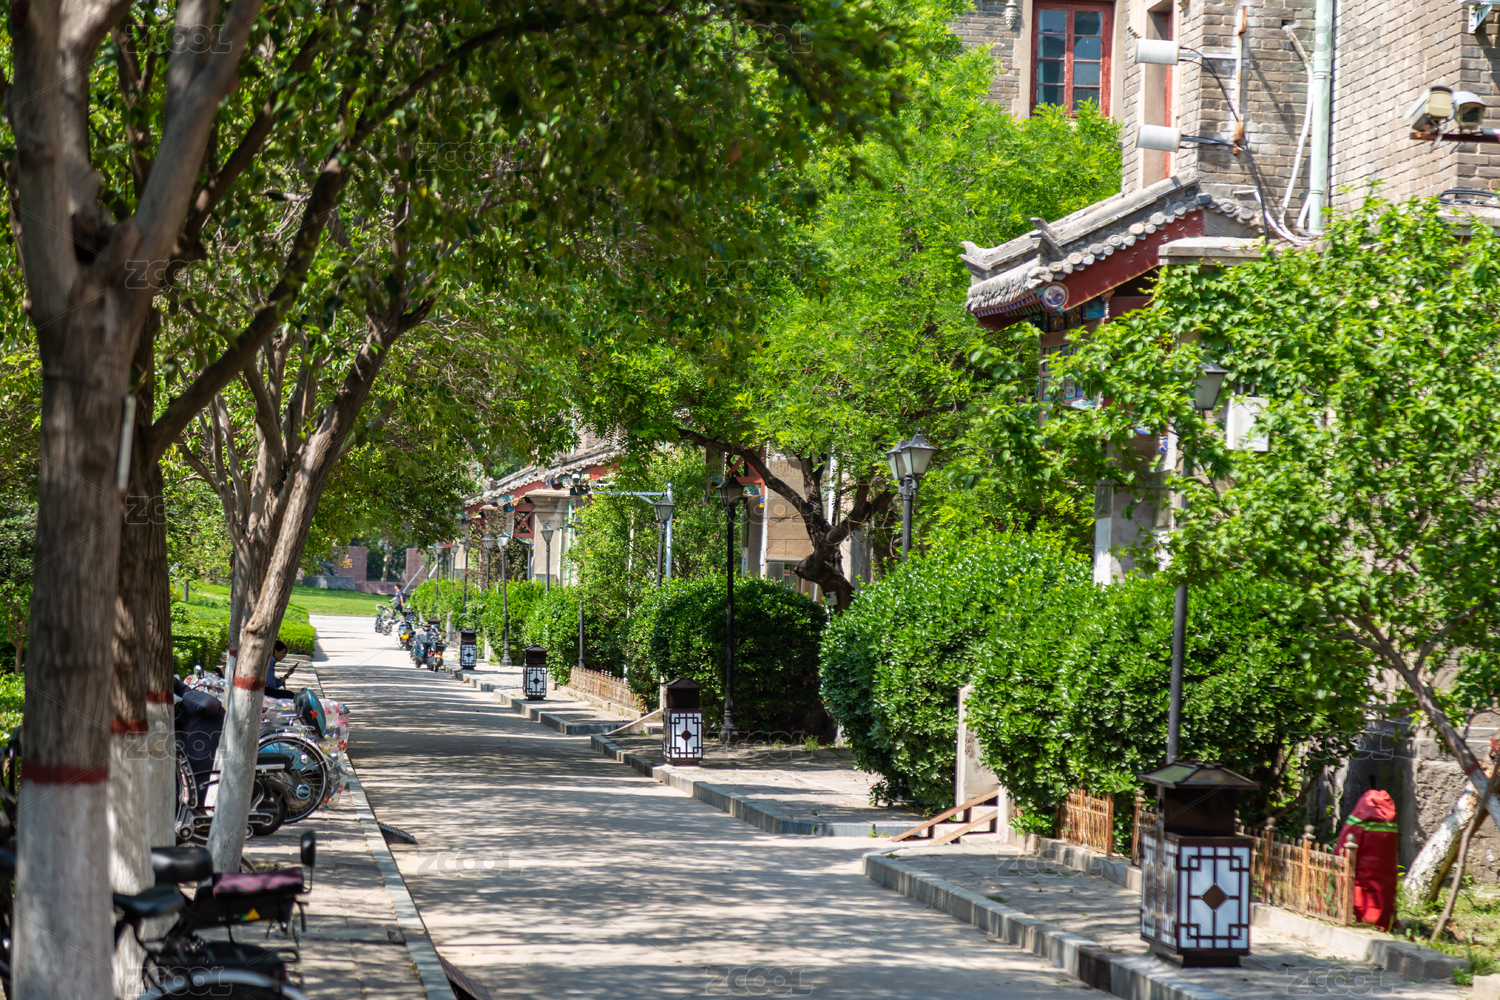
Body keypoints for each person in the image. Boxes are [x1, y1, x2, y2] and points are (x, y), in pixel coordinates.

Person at [1335, 788, 1399, 930]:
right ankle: (1383, 921)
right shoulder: (1390, 815)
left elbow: (1348, 838)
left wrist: (1339, 858)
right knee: (1383, 891)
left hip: (1363, 865)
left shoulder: (1363, 812)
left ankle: (1363, 919)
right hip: (1385, 866)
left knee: (1362, 892)